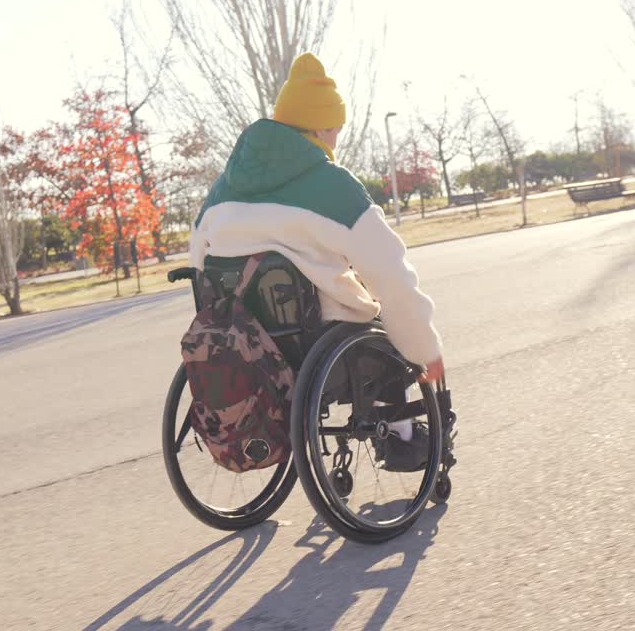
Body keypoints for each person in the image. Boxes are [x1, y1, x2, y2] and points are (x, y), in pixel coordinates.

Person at [188, 52, 445, 471]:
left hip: (242, 343)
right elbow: (391, 272)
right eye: (337, 128)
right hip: (317, 342)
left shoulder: (221, 189)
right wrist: (425, 350)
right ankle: (401, 438)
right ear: (323, 127)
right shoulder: (333, 186)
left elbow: (198, 262)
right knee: (389, 328)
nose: (338, 138)